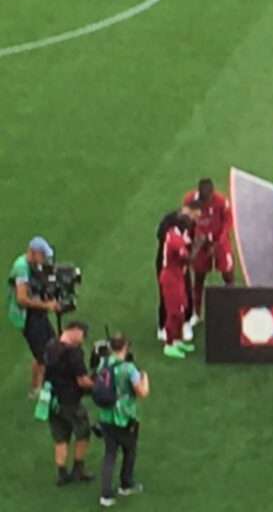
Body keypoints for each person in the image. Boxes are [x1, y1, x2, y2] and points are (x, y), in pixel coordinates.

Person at [97, 334, 148, 508]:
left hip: (105, 416)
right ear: (125, 347)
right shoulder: (129, 368)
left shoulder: (103, 363)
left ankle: (105, 494)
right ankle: (126, 483)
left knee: (109, 453)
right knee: (130, 449)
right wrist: (144, 378)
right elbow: (142, 392)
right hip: (125, 416)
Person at [43, 320, 94, 486]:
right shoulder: (74, 352)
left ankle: (62, 473)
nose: (82, 339)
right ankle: (78, 467)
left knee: (60, 436)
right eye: (83, 334)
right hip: (69, 400)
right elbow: (82, 381)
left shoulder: (50, 346)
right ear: (75, 330)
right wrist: (98, 385)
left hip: (51, 399)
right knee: (83, 430)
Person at [8, 237, 59, 398]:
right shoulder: (21, 268)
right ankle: (35, 388)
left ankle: (42, 382)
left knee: (50, 345)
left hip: (37, 313)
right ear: (34, 252)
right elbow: (21, 299)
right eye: (42, 255)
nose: (44, 259)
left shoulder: (33, 264)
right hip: (27, 317)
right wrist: (46, 305)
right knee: (41, 354)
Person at [183, 178, 234, 327]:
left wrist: (218, 243)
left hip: (219, 242)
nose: (206, 201)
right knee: (199, 276)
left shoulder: (221, 201)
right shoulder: (190, 199)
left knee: (228, 273)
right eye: (204, 198)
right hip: (200, 243)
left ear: (212, 193)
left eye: (209, 197)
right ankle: (196, 313)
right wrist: (191, 242)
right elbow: (187, 220)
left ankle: (233, 306)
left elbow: (227, 222)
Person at [156, 201, 201, 342]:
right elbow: (162, 236)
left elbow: (191, 240)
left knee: (186, 294)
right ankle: (164, 328)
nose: (194, 220)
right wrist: (197, 245)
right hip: (168, 267)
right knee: (167, 297)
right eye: (194, 215)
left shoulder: (189, 225)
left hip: (180, 267)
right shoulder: (172, 228)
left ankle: (185, 323)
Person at [159, 214, 196, 359]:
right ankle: (169, 344)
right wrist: (198, 244)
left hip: (176, 276)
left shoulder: (173, 233)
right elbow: (188, 259)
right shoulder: (175, 241)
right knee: (175, 311)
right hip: (171, 278)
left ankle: (177, 339)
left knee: (182, 307)